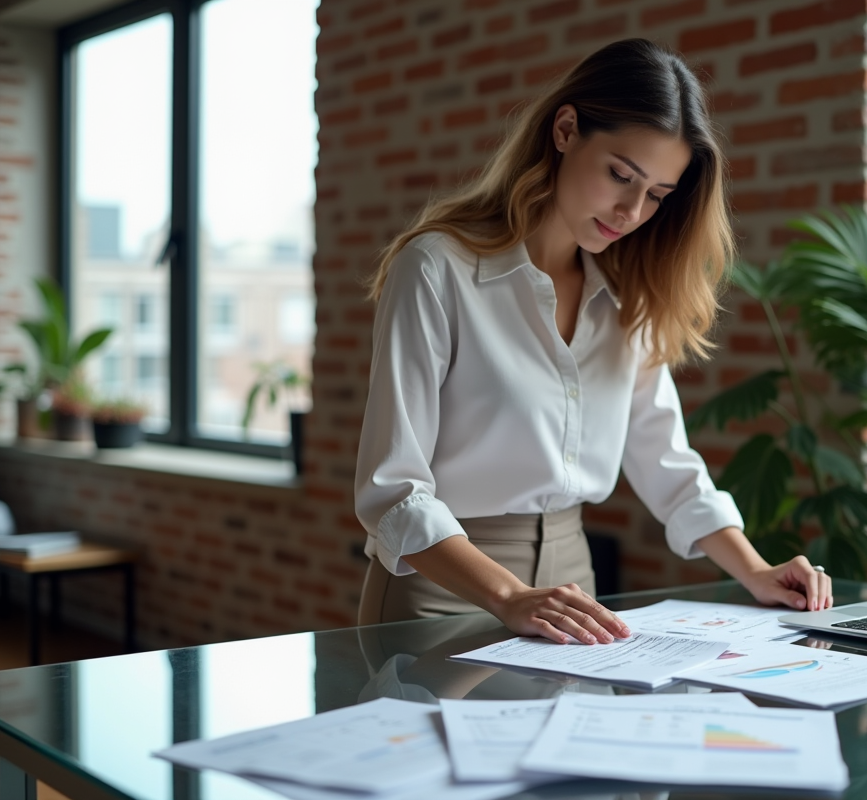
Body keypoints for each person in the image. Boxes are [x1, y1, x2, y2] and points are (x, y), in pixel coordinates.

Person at [354, 38, 832, 646]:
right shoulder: (437, 268)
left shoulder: (628, 296)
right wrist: (507, 595)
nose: (632, 209)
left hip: (572, 590)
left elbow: (670, 466)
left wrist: (757, 569)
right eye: (620, 174)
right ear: (566, 129)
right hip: (440, 593)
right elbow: (392, 488)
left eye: (657, 195)